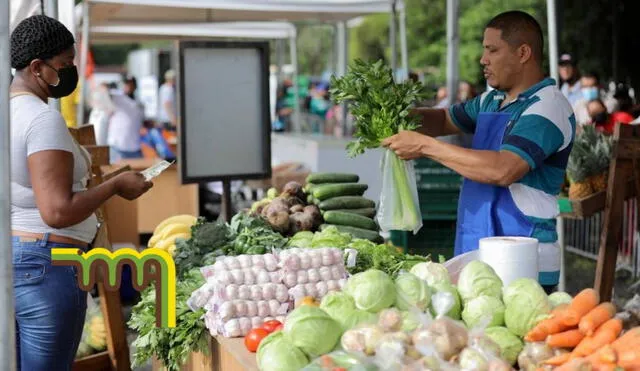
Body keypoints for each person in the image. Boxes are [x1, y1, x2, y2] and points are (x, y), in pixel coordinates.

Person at [382, 10, 575, 293]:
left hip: (523, 264)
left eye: (492, 50)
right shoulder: (491, 100)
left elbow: (504, 169)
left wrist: (424, 146)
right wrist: (393, 115)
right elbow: (445, 119)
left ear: (523, 53)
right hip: (476, 252)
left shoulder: (547, 107)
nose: (483, 59)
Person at [9, 15, 153, 370]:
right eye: (66, 65)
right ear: (37, 67)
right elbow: (57, 210)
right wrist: (115, 185)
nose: (71, 72)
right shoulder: (42, 120)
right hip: (47, 265)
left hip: (14, 258)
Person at [107, 87, 145, 162]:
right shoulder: (117, 96)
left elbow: (142, 123)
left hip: (135, 149)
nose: (128, 86)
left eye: (131, 84)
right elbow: (104, 92)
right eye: (126, 83)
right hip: (117, 148)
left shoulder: (140, 103)